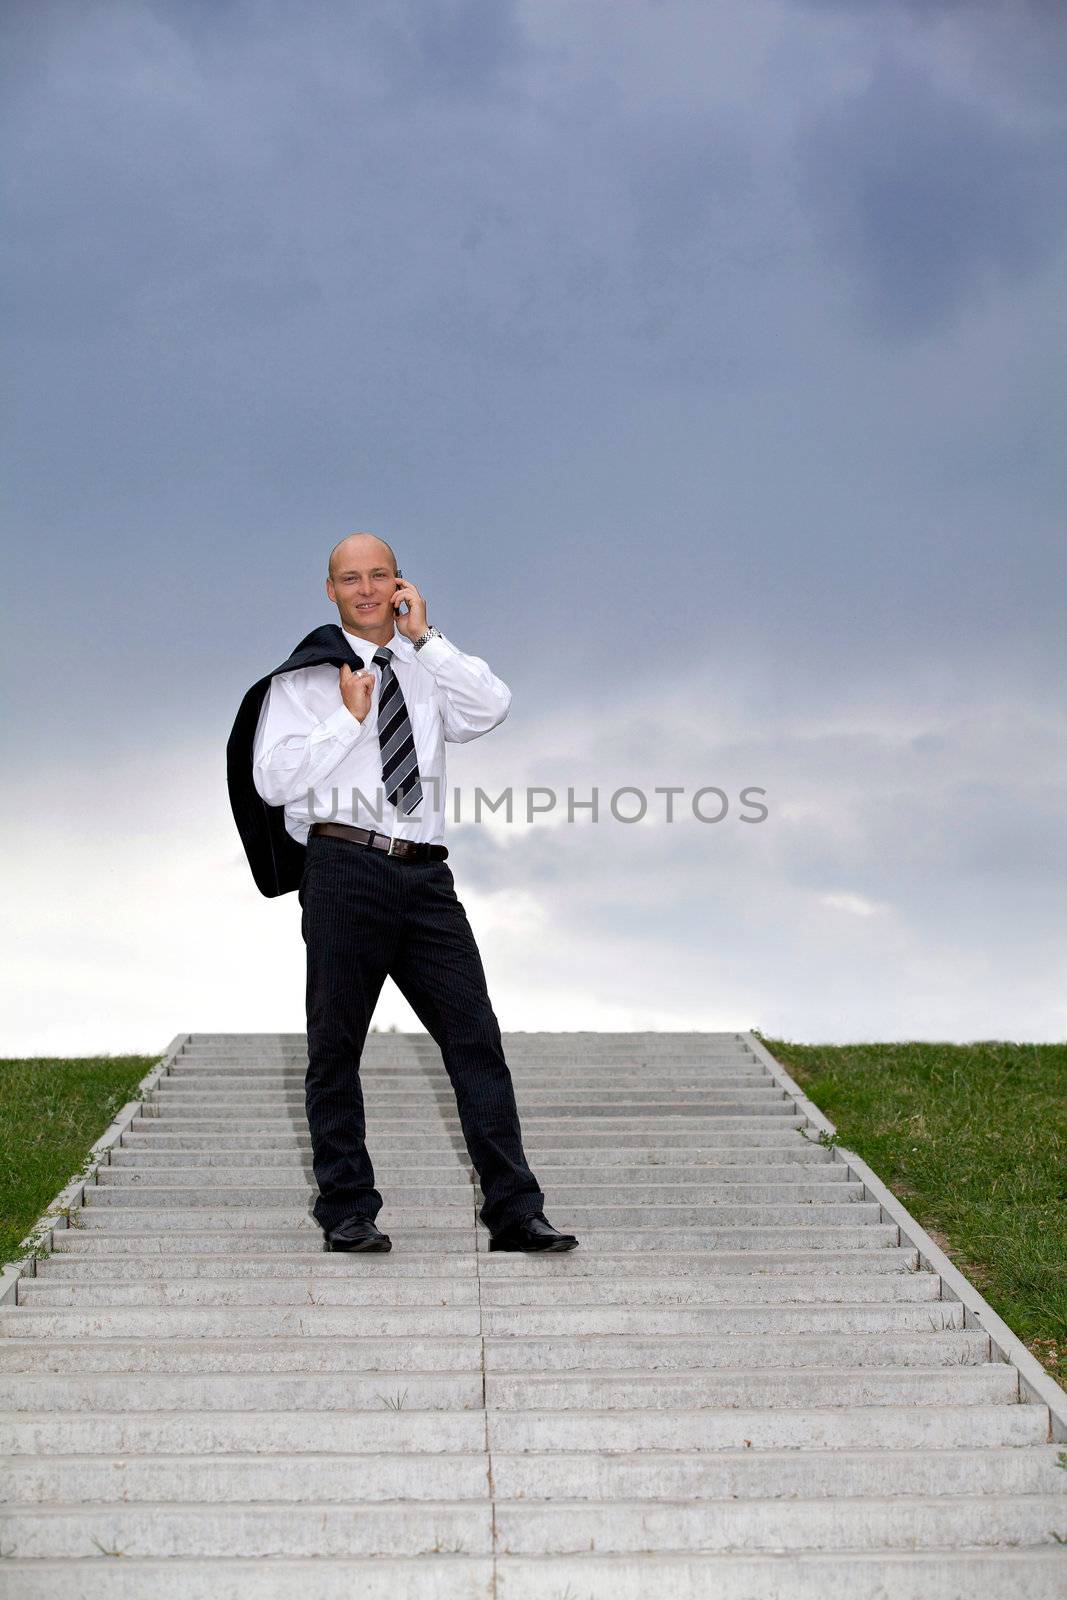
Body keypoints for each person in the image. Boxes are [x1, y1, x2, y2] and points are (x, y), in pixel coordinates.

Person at [235, 531, 578, 1255]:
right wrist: (346, 718)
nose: (365, 589)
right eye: (349, 578)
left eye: (378, 576)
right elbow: (271, 781)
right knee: (336, 1048)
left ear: (400, 583)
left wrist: (429, 639)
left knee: (475, 1039)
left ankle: (515, 1213)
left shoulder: (426, 668)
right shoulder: (300, 683)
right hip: (343, 867)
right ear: (329, 590)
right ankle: (347, 1210)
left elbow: (488, 710)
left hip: (425, 875)